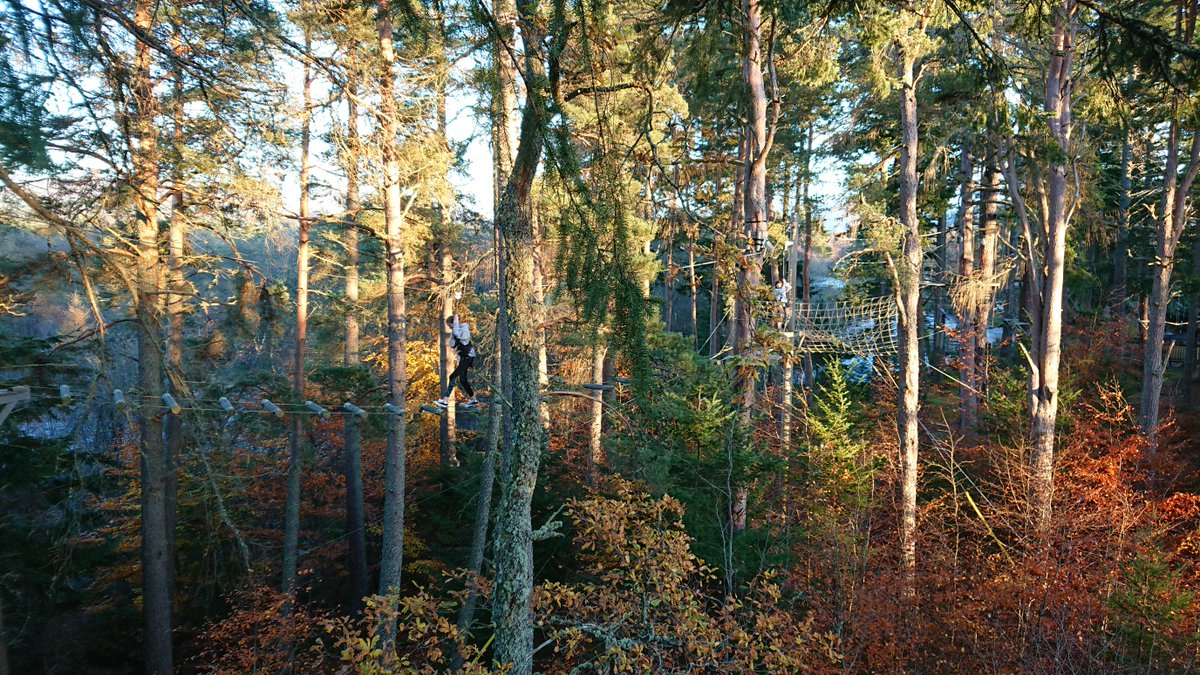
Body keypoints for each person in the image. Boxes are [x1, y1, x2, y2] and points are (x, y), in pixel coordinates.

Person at [436, 315, 478, 407]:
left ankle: (445, 400)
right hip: (463, 358)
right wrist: (454, 333)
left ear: (454, 323)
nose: (449, 328)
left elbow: (458, 335)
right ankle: (473, 399)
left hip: (468, 358)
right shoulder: (455, 331)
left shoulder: (464, 328)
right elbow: (452, 345)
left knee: (452, 376)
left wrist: (455, 322)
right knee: (463, 380)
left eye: (450, 325)